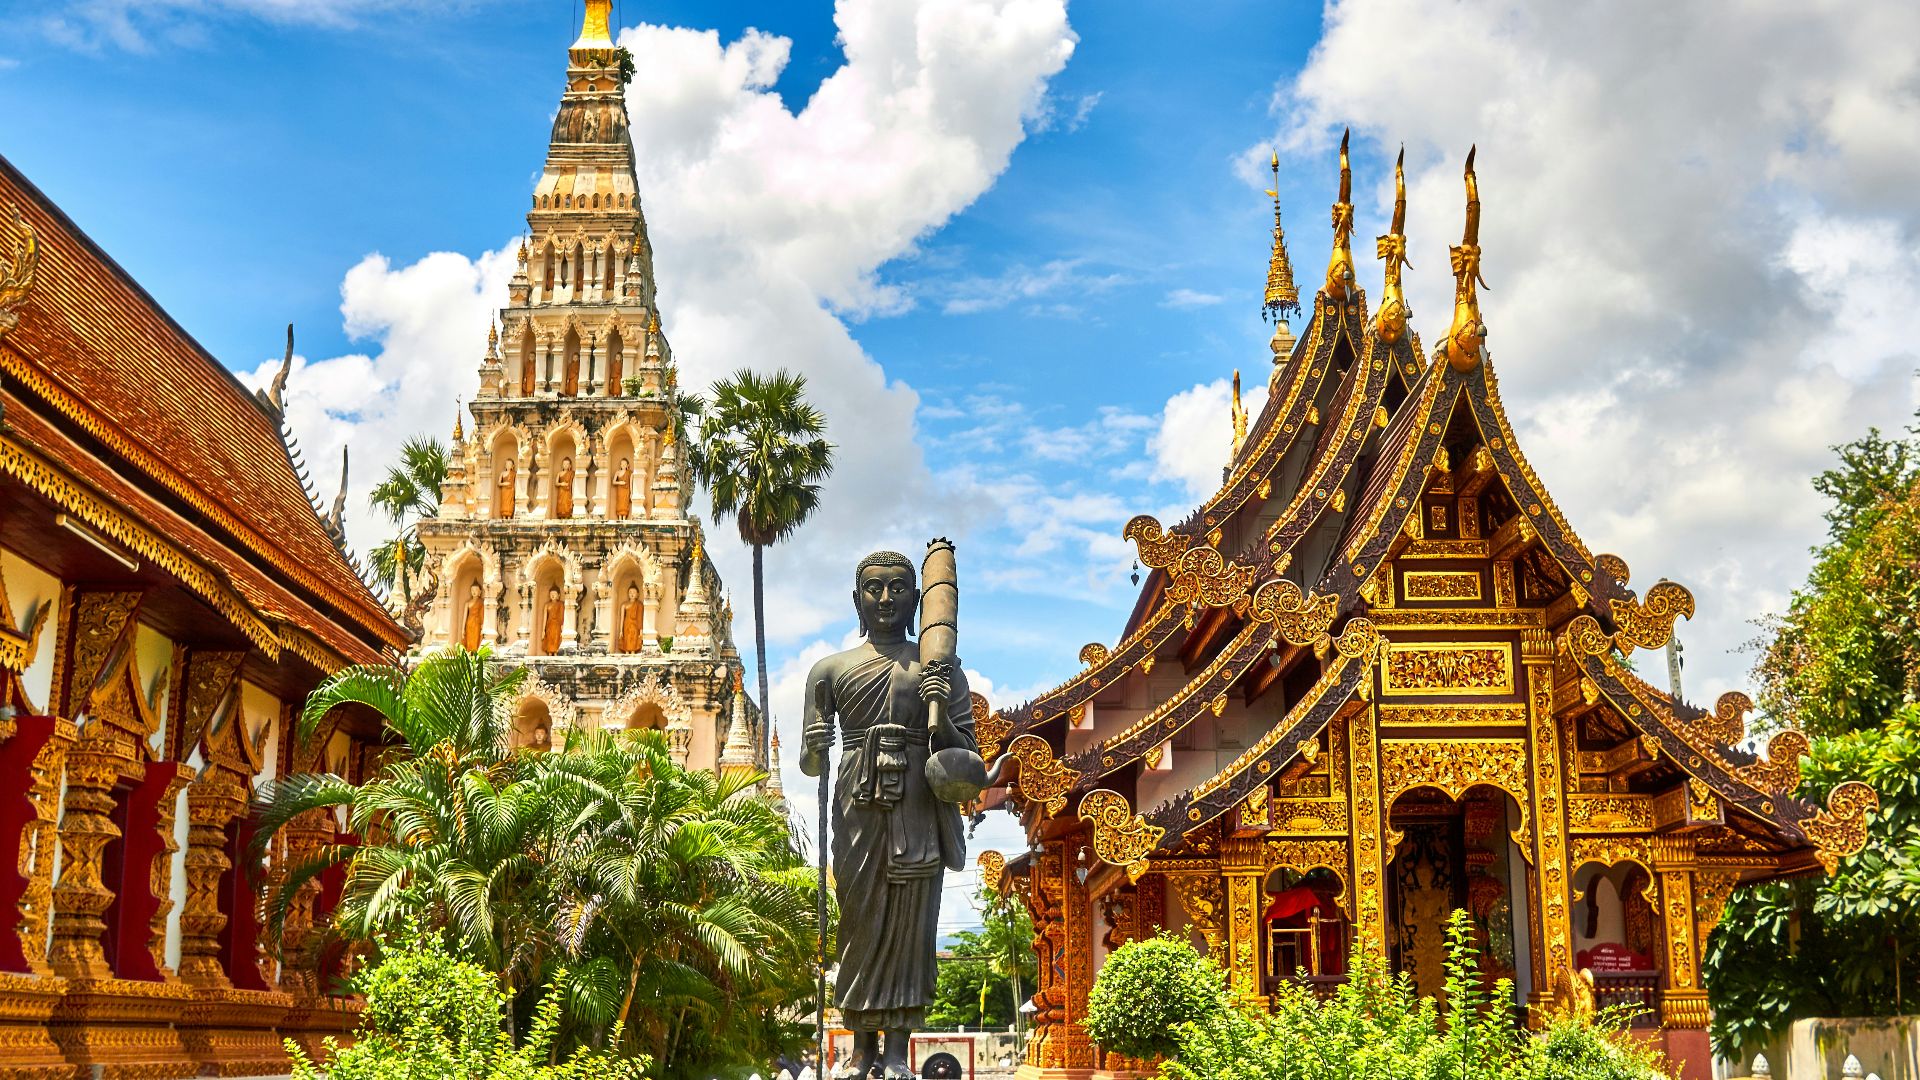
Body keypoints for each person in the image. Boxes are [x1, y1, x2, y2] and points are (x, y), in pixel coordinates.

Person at [802, 551, 976, 1080]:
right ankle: (861, 1049)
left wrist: (940, 711)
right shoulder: (829, 670)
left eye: (898, 588)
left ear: (917, 599)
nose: (885, 599)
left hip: (918, 803)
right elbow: (812, 765)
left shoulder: (939, 673)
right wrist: (815, 743)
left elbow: (966, 760)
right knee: (858, 922)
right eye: (874, 589)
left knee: (910, 923)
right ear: (856, 599)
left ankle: (899, 1049)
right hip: (857, 803)